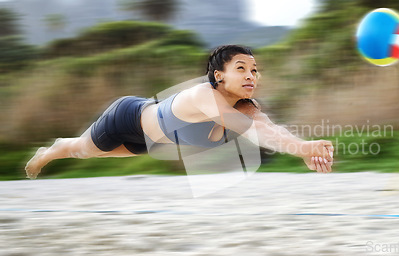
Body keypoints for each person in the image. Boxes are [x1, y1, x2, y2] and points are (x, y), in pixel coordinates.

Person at [25, 45, 334, 179]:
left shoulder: (248, 106)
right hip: (125, 119)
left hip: (147, 143)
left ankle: (57, 149)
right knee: (80, 150)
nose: (252, 75)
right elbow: (249, 130)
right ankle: (49, 151)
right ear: (219, 76)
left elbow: (269, 130)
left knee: (93, 155)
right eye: (241, 69)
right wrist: (303, 148)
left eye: (255, 69)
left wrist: (302, 150)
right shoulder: (204, 96)